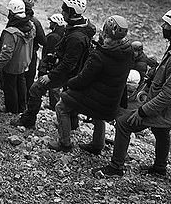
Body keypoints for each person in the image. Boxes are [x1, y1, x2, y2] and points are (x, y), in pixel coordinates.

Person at [93, 8, 171, 178]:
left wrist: (143, 112)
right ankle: (159, 168)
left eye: (168, 25)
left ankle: (116, 167)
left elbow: (168, 94)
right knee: (161, 131)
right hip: (164, 103)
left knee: (123, 123)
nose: (163, 26)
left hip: (165, 106)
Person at [48, 16, 132, 153]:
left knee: (61, 105)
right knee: (99, 116)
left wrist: (69, 83)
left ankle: (64, 143)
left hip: (97, 98)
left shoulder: (101, 55)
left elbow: (83, 79)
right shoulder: (128, 53)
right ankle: (98, 145)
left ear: (105, 32)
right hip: (111, 100)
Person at [12, 0, 96, 128]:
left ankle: (28, 120)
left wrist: (50, 76)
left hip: (68, 72)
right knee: (71, 97)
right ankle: (73, 123)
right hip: (75, 72)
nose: (62, 12)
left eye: (65, 10)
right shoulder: (80, 27)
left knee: (36, 88)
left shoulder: (76, 37)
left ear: (72, 12)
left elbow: (68, 64)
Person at [0, 0, 35, 114]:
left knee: (10, 87)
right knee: (21, 84)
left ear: (11, 13)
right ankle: (22, 108)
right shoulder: (30, 26)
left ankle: (11, 109)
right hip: (24, 62)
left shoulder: (11, 32)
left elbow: (7, 52)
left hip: (12, 65)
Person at [39, 13, 67, 110]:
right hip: (57, 65)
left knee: (47, 85)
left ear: (55, 24)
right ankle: (53, 105)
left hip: (50, 65)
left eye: (51, 22)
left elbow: (49, 52)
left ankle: (52, 105)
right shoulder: (63, 35)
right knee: (55, 86)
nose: (49, 24)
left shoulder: (53, 37)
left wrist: (44, 66)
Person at [22, 0, 47, 91]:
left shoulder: (14, 19)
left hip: (16, 53)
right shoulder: (35, 22)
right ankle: (26, 102)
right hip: (31, 54)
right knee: (29, 79)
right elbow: (43, 41)